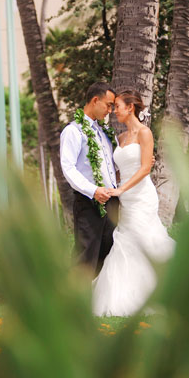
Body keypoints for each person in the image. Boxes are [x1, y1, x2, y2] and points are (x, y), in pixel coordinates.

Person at [92, 90, 175, 317]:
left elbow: (145, 168)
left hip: (141, 197)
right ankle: (125, 294)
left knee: (144, 239)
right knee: (126, 241)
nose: (114, 111)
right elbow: (119, 169)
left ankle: (159, 293)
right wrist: (115, 187)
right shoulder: (120, 138)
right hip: (126, 199)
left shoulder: (145, 133)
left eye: (118, 106)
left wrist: (122, 189)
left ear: (130, 108)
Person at [60, 82, 119, 276]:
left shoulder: (105, 132)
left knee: (107, 256)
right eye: (108, 105)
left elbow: (113, 166)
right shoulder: (73, 131)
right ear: (95, 100)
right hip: (89, 202)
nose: (110, 110)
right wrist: (93, 191)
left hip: (112, 202)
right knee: (85, 257)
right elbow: (68, 167)